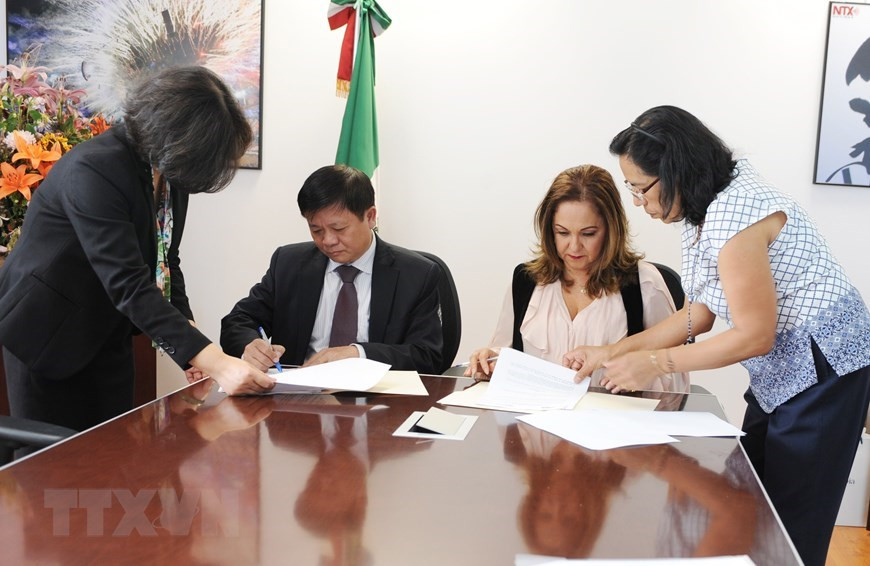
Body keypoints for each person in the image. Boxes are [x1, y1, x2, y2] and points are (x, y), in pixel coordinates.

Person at [565, 105, 870, 566]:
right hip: (785, 367)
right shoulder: (705, 205)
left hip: (824, 363)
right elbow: (699, 314)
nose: (637, 202)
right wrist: (612, 350)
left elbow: (753, 336)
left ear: (675, 170)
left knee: (789, 524)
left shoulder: (732, 215)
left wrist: (654, 363)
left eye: (640, 188)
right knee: (746, 501)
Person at [0, 66, 276, 432]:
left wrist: (191, 343)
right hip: (46, 335)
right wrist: (217, 362)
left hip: (107, 333)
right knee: (51, 472)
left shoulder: (170, 172)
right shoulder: (95, 169)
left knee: (110, 458)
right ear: (179, 137)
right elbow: (128, 282)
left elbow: (165, 261)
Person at [465, 164, 687, 393]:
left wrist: (635, 375)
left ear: (611, 230)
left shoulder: (644, 285)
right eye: (562, 232)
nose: (574, 246)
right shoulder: (526, 281)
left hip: (615, 422)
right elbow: (506, 353)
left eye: (588, 234)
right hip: (534, 421)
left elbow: (675, 382)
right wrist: (490, 361)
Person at [220, 164, 443, 374]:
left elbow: (427, 355)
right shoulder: (289, 263)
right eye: (316, 230)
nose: (327, 241)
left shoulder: (416, 274)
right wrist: (250, 345)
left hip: (379, 402)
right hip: (299, 398)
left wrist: (358, 353)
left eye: (339, 228)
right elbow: (238, 320)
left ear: (370, 216)